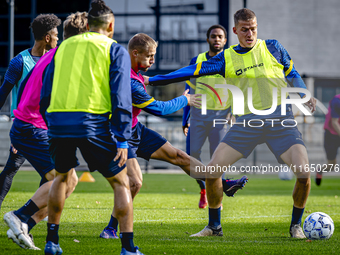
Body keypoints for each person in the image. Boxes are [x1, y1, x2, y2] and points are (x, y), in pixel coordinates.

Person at [145, 8, 316, 238]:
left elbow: (292, 72)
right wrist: (153, 79)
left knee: (304, 174)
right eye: (244, 30)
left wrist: (305, 93)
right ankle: (214, 227)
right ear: (235, 31)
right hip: (246, 124)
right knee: (213, 172)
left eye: (253, 28)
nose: (250, 33)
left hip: (281, 123)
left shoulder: (273, 47)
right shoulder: (226, 58)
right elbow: (191, 71)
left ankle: (296, 226)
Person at [99, 33, 248, 240]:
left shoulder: (133, 72)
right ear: (135, 53)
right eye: (149, 56)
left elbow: (157, 80)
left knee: (180, 157)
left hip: (134, 129)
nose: (152, 60)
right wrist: (184, 100)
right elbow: (160, 109)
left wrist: (182, 77)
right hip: (118, 135)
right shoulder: (130, 82)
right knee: (135, 183)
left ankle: (221, 182)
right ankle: (110, 228)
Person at [40, 1, 143, 254]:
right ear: (110, 25)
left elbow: (46, 90)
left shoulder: (63, 47)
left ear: (87, 24)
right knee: (122, 182)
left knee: (61, 178)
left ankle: (52, 242)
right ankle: (128, 247)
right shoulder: (114, 49)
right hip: (92, 123)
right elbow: (121, 97)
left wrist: (49, 120)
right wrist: (122, 138)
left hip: (57, 122)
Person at [3, 12, 87, 251]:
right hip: (30, 127)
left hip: (30, 127)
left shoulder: (52, 55)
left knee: (66, 182)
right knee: (64, 179)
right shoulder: (54, 58)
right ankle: (20, 216)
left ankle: (25, 224)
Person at [0, 13, 61, 211]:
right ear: (47, 37)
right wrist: (15, 133)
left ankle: (30, 214)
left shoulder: (57, 60)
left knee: (50, 172)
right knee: (13, 168)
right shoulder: (19, 62)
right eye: (56, 35)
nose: (58, 39)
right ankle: (26, 216)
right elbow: (3, 96)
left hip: (48, 128)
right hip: (26, 128)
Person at [183, 24, 246, 209]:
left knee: (217, 159)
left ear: (225, 41)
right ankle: (204, 188)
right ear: (208, 39)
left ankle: (216, 196)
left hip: (220, 118)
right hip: (198, 117)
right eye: (213, 36)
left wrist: (234, 113)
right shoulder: (198, 60)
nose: (216, 39)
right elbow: (189, 90)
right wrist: (184, 119)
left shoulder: (230, 62)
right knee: (190, 157)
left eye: (220, 37)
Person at [316, 94, 340, 186]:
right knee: (331, 165)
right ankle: (320, 171)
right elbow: (335, 123)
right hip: (332, 135)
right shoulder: (337, 101)